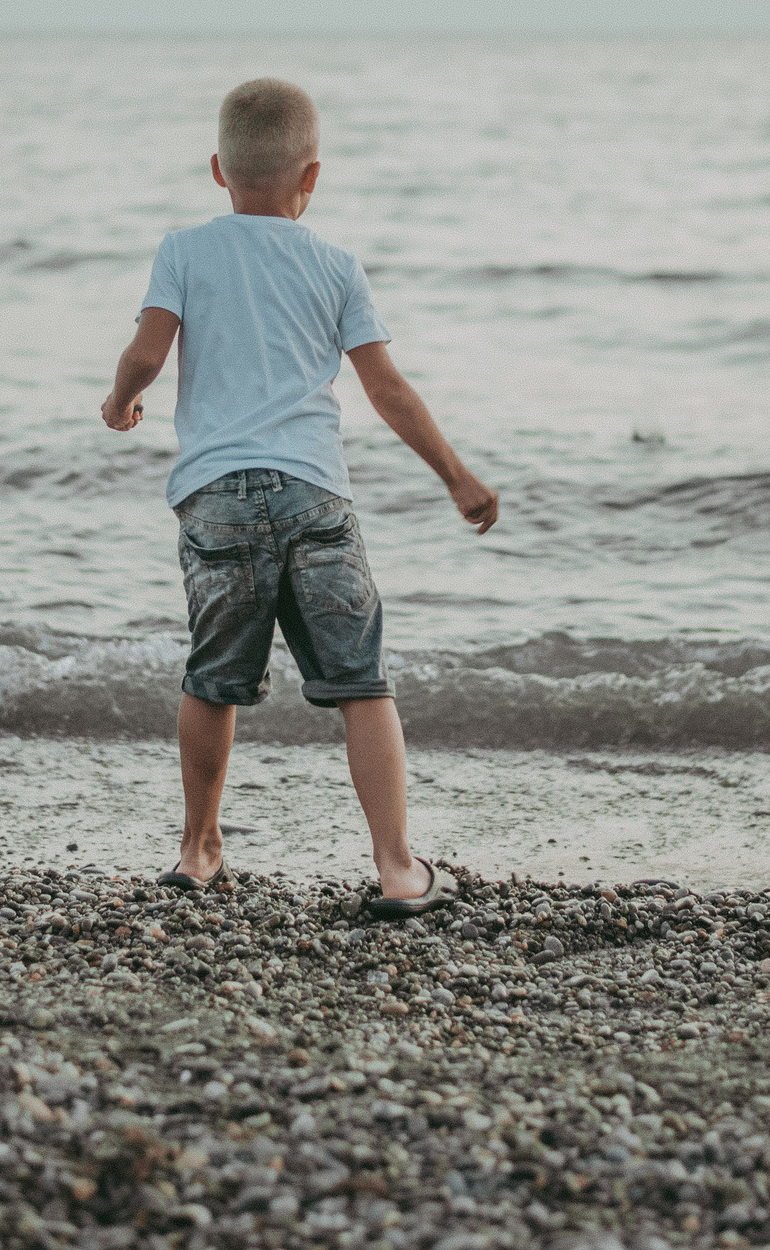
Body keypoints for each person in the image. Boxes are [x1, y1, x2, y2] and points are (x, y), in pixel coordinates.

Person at [101, 77, 499, 915]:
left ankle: (198, 850)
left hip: (217, 498)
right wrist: (456, 476)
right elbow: (387, 389)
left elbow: (147, 353)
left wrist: (120, 401)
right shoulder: (336, 264)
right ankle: (397, 866)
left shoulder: (183, 250)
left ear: (219, 168)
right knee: (361, 681)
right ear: (312, 176)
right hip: (315, 495)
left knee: (213, 677)